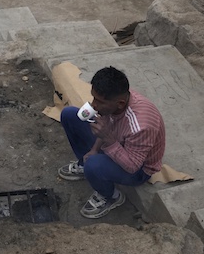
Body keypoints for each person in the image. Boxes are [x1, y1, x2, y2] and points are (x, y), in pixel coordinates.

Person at [57, 66, 165, 219]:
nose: (94, 105)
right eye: (93, 98)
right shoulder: (116, 103)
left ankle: (110, 196)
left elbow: (133, 167)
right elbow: (107, 122)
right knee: (70, 115)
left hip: (138, 169)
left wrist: (108, 139)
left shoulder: (140, 126)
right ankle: (85, 164)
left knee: (94, 165)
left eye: (100, 101)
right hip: (118, 143)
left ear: (120, 104)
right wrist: (94, 149)